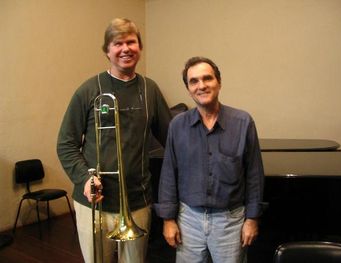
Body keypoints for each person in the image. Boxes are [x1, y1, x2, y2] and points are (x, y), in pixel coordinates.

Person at [57, 18, 172, 263]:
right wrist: (84, 179)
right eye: (117, 43)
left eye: (131, 42)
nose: (125, 48)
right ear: (107, 51)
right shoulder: (89, 90)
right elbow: (66, 144)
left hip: (137, 201)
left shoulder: (150, 89)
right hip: (93, 202)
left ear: (139, 47)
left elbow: (172, 137)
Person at [154, 57, 264, 263]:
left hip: (230, 222)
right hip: (188, 220)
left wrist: (252, 219)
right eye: (194, 81)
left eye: (207, 79)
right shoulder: (177, 125)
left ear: (219, 82)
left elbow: (254, 176)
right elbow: (169, 173)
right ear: (188, 88)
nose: (201, 85)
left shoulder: (243, 122)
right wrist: (168, 220)